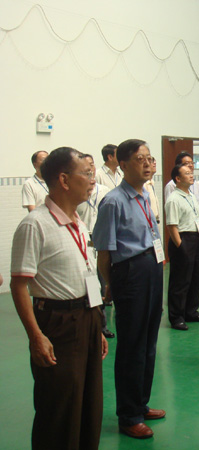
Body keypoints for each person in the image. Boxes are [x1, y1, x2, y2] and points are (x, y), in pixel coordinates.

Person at [10, 147, 108, 449]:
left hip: (87, 317)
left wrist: (96, 325)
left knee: (89, 403)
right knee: (60, 407)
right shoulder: (35, 224)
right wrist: (36, 336)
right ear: (64, 180)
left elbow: (85, 273)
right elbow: (19, 285)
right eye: (86, 174)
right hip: (58, 322)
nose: (92, 180)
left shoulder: (78, 221)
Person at [93, 139, 165, 439]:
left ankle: (141, 403)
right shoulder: (113, 201)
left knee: (148, 342)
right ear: (122, 165)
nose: (148, 163)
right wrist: (110, 284)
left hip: (152, 267)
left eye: (149, 158)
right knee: (132, 346)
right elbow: (104, 253)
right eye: (140, 159)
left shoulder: (144, 194)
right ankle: (129, 415)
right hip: (131, 272)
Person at [165, 163, 199, 330]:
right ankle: (176, 317)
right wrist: (181, 246)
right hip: (182, 239)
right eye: (187, 173)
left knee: (194, 278)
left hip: (195, 238)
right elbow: (172, 226)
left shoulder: (190, 196)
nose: (191, 175)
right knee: (180, 281)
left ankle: (191, 311)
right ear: (177, 178)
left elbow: (196, 215)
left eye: (191, 173)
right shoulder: (173, 199)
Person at [76, 153, 114, 339]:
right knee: (90, 286)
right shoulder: (76, 193)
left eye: (91, 164)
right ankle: (94, 326)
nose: (90, 169)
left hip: (101, 241)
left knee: (102, 283)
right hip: (84, 242)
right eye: (85, 166)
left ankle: (102, 326)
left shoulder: (105, 191)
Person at [145, 156, 160, 224]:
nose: (154, 163)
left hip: (155, 221)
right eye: (151, 161)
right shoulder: (143, 184)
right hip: (148, 222)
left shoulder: (151, 182)